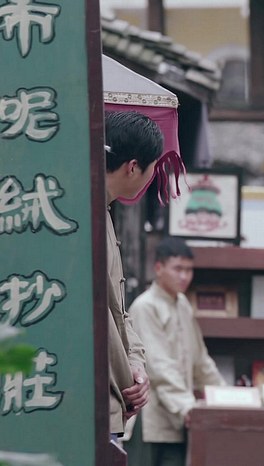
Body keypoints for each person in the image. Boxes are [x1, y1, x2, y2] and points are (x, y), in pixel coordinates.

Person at [124, 237, 226, 465]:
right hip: (150, 420)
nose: (184, 276)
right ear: (158, 268)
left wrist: (225, 397)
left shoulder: (182, 305)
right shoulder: (145, 306)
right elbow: (159, 367)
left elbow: (200, 361)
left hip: (179, 420)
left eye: (189, 270)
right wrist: (186, 407)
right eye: (178, 269)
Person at [104, 110, 164, 438]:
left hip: (111, 395)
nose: (152, 176)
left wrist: (136, 362)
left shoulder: (104, 213)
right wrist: (128, 376)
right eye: (153, 167)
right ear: (132, 167)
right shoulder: (85, 216)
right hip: (94, 400)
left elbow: (117, 311)